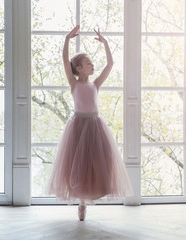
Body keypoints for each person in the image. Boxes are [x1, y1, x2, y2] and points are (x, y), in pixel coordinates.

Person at [46, 25, 134, 221]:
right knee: (77, 165)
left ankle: (88, 199)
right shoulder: (74, 83)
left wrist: (106, 44)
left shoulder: (95, 84)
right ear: (78, 68)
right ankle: (81, 203)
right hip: (78, 126)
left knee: (96, 163)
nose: (93, 66)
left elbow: (110, 65)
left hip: (95, 126)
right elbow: (64, 59)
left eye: (92, 63)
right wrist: (67, 39)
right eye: (88, 63)